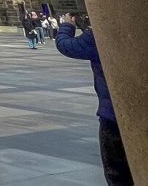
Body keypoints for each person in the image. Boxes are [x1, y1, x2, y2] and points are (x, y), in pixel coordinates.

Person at [56, 14, 132, 185]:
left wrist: (67, 25)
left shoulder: (100, 33)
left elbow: (66, 46)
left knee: (117, 173)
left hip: (113, 115)